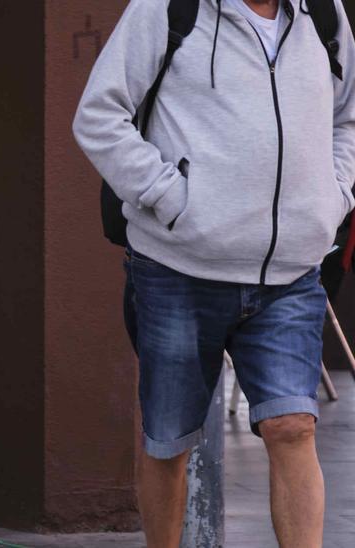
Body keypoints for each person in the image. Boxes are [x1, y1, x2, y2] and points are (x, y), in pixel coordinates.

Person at [73, 1, 355, 546]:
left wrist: (333, 194)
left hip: (291, 274)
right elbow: (98, 114)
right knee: (169, 441)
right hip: (179, 269)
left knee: (293, 427)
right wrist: (168, 197)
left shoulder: (322, 11)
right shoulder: (166, 7)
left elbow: (348, 116)